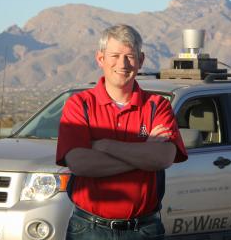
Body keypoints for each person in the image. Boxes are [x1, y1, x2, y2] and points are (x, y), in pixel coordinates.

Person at [56, 24, 188, 240]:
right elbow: (79, 164)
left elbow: (164, 157)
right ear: (100, 59)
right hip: (89, 229)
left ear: (141, 59)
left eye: (130, 56)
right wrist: (144, 156)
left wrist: (106, 146)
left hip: (144, 229)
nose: (123, 64)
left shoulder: (157, 106)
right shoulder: (80, 105)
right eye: (115, 56)